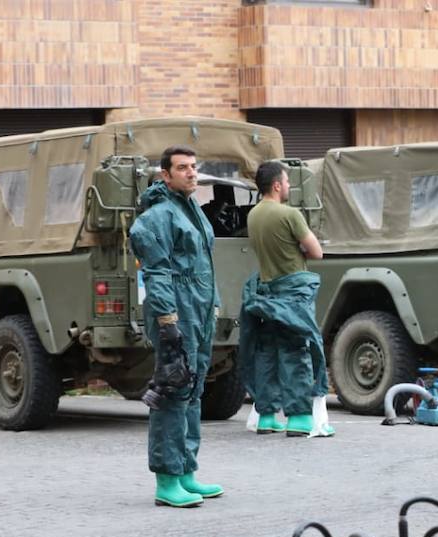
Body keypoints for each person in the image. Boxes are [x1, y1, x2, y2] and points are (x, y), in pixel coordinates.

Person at [130, 145, 223, 508]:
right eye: (182, 168)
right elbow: (157, 273)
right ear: (165, 175)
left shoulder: (193, 211)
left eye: (194, 166)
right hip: (177, 314)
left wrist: (212, 305)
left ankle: (186, 472)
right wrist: (168, 321)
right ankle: (167, 480)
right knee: (172, 392)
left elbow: (203, 265)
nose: (191, 173)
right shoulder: (158, 218)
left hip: (198, 313)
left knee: (194, 389)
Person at [241, 160, 331, 438]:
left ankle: (267, 416)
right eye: (288, 181)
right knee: (296, 352)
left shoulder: (253, 215)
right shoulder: (289, 214)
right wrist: (299, 250)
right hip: (294, 292)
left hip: (267, 292)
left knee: (267, 353)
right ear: (277, 185)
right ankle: (301, 418)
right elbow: (317, 252)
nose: (290, 186)